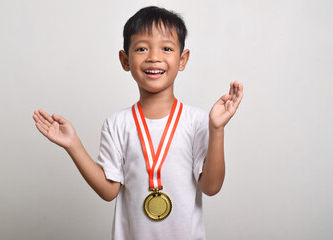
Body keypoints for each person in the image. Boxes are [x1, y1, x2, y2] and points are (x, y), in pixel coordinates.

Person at [33, 6, 243, 240]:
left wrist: (216, 129)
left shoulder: (197, 121)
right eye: (142, 48)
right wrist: (73, 144)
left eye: (166, 48)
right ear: (125, 60)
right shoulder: (117, 124)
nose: (154, 57)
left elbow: (211, 187)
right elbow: (108, 190)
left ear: (182, 59)